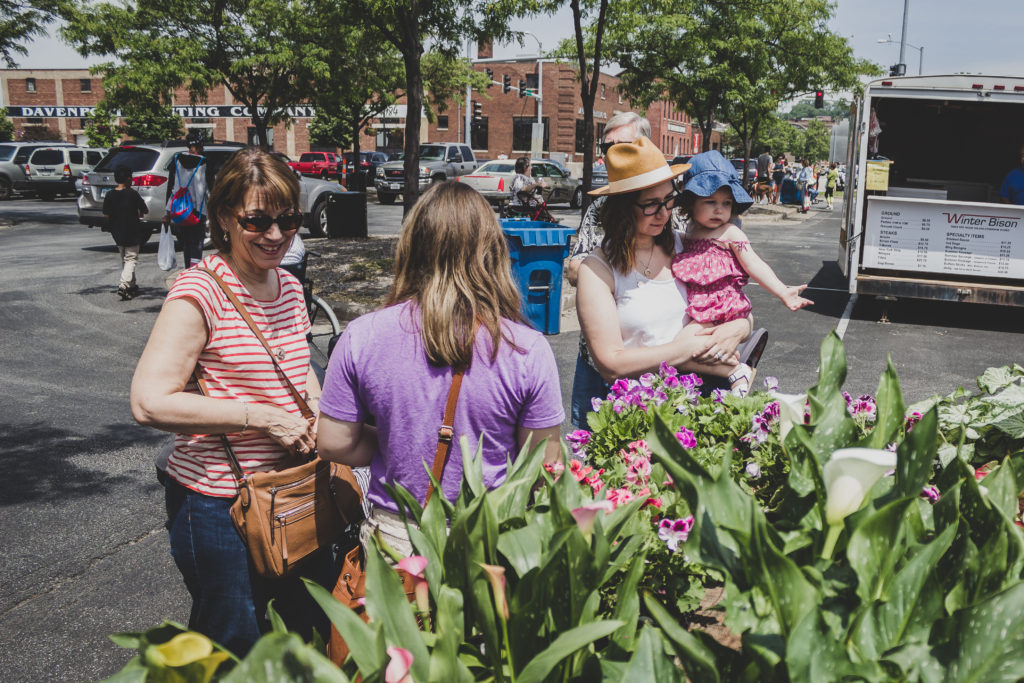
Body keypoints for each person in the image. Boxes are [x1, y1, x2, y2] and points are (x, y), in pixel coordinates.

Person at [130, 147, 330, 656]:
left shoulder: (286, 283)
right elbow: (149, 401)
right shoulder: (200, 292)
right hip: (222, 505)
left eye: (288, 220)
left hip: (291, 492)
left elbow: (295, 363)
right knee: (232, 645)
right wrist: (262, 419)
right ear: (223, 217)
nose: (275, 235)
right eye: (257, 220)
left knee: (301, 635)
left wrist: (317, 410)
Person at [316, 181, 564, 558]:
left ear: (411, 248)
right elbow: (544, 465)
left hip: (396, 539)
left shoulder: (361, 336)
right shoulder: (527, 349)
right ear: (493, 251)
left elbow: (334, 442)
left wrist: (395, 440)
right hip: (491, 539)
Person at [574, 138, 760, 425]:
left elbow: (734, 305)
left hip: (705, 404)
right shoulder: (597, 270)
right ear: (622, 207)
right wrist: (683, 350)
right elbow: (610, 364)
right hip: (643, 416)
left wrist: (740, 327)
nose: (664, 213)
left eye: (669, 200)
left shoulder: (687, 246)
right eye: (651, 205)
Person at [671, 150, 812, 395]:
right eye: (710, 202)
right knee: (689, 352)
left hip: (721, 308)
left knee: (678, 351)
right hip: (700, 309)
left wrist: (782, 291)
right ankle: (734, 368)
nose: (719, 210)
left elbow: (754, 263)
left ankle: (735, 371)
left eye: (726, 203)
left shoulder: (730, 234)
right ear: (691, 202)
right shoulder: (689, 231)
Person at [164, 131, 210, 268]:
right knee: (196, 244)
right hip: (197, 211)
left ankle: (187, 270)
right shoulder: (204, 162)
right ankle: (194, 272)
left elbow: (171, 187)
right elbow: (206, 189)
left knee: (186, 244)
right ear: (201, 144)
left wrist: (167, 212)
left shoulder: (177, 160)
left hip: (180, 210)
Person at [102, 164, 149, 300]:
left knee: (125, 259)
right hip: (133, 230)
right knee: (131, 259)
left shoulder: (110, 194)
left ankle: (131, 285)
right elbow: (145, 210)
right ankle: (123, 285)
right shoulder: (133, 194)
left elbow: (106, 214)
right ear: (129, 179)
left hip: (117, 231)